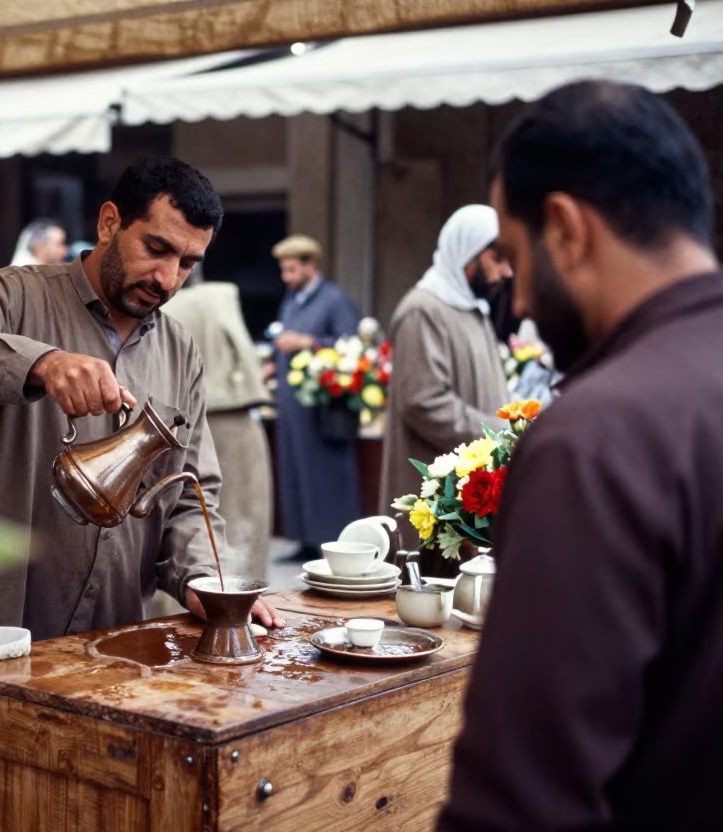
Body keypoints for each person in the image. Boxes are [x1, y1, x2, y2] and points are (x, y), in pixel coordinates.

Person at [439, 80, 723, 831]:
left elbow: (517, 804)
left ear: (565, 229)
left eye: (516, 259)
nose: (516, 305)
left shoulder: (599, 438)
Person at [0, 156, 282, 640]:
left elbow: (189, 493)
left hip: (114, 637)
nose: (167, 279)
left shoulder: (180, 351)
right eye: (156, 248)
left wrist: (200, 576)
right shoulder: (15, 296)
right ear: (109, 223)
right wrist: (40, 364)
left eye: (186, 263)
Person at [379, 205, 510, 566]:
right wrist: (500, 433)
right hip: (434, 504)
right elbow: (424, 402)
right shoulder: (423, 310)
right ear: (466, 252)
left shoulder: (471, 308)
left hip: (470, 500)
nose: (506, 271)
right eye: (497, 258)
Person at [161, 265, 273, 584]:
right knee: (241, 522)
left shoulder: (165, 309)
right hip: (232, 425)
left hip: (177, 422)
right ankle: (241, 602)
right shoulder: (218, 300)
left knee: (189, 519)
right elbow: (245, 357)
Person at [268, 234, 361, 558]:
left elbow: (352, 346)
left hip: (323, 405)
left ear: (311, 265)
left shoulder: (335, 300)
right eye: (284, 270)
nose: (287, 278)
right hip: (292, 404)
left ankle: (332, 542)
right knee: (295, 470)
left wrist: (308, 342)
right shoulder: (291, 299)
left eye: (292, 270)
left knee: (324, 474)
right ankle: (305, 540)